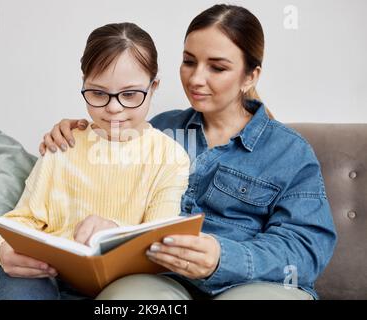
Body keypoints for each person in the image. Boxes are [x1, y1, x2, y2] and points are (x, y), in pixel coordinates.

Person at [40, 4, 337, 300]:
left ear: (251, 76)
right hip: (164, 281)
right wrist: (79, 132)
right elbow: (107, 184)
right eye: (189, 61)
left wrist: (222, 258)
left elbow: (307, 249)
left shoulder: (289, 151)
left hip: (254, 284)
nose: (195, 79)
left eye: (217, 67)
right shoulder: (159, 128)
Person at [0, 22, 190, 300]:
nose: (113, 108)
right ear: (84, 83)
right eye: (98, 93)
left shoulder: (170, 157)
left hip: (121, 286)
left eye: (130, 94)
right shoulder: (65, 143)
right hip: (47, 275)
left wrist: (116, 231)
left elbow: (159, 239)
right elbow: (22, 219)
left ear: (153, 87)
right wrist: (4, 249)